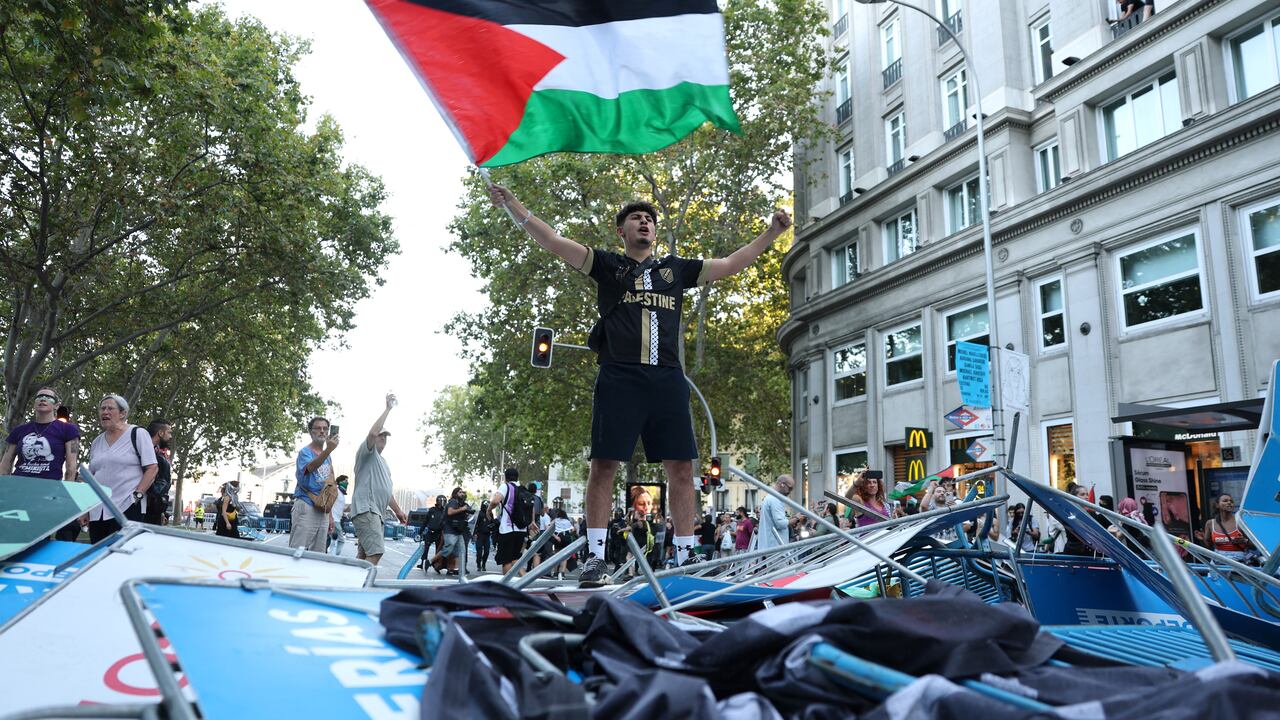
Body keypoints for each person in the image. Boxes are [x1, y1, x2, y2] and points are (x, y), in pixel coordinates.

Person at [488, 184, 792, 586]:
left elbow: (732, 263)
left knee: (681, 468)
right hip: (619, 376)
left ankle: (683, 559)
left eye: (649, 218)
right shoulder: (607, 266)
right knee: (603, 465)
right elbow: (553, 240)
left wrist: (771, 233)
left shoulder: (677, 271)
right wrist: (513, 204)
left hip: (668, 378)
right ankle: (595, 559)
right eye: (636, 218)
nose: (645, 222)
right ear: (622, 231)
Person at [2, 386, 83, 540]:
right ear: (34, 403)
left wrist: (66, 495)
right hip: (18, 490)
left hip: (46, 491)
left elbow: (71, 466)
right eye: (39, 397)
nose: (43, 399)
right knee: (12, 535)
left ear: (57, 405)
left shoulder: (68, 429)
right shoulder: (20, 430)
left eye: (48, 397)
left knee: (37, 537)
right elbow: (6, 463)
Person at [346, 394, 409, 568]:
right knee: (376, 552)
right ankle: (359, 588)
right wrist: (388, 409)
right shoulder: (366, 453)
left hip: (376, 513)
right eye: (381, 435)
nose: (383, 438)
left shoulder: (384, 462)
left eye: (385, 436)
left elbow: (387, 492)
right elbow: (373, 433)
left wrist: (398, 511)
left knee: (364, 554)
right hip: (367, 509)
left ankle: (352, 585)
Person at [86, 395, 158, 543]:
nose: (104, 412)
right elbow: (91, 476)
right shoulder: (96, 442)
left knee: (121, 556)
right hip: (97, 511)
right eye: (102, 408)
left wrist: (137, 496)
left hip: (127, 506)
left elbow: (152, 468)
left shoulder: (137, 433)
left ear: (123, 413)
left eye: (110, 408)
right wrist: (86, 509)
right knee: (97, 558)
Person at [291, 416, 338, 552]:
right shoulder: (305, 452)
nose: (322, 431)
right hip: (306, 505)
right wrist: (328, 450)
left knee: (318, 553)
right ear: (311, 432)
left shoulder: (327, 456)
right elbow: (310, 467)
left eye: (325, 428)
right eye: (318, 428)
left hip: (322, 508)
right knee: (297, 550)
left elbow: (328, 485)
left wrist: (330, 515)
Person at [489, 467, 531, 576]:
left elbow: (495, 500)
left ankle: (506, 586)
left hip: (507, 530)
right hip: (521, 530)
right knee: (515, 558)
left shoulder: (505, 486)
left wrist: (489, 509)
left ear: (506, 478)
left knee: (506, 560)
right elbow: (531, 506)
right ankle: (525, 579)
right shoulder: (523, 489)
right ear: (517, 477)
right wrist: (532, 522)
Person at [1200, 494, 1257, 563]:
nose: (1229, 502)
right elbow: (1208, 546)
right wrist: (1203, 539)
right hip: (1218, 562)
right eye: (1225, 501)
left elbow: (1254, 547)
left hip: (1238, 563)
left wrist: (1244, 541)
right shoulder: (1210, 523)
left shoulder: (1240, 522)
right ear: (1217, 505)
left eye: (1231, 501)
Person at [429, 487, 472, 576]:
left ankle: (456, 569)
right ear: (455, 493)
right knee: (448, 548)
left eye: (463, 492)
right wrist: (462, 509)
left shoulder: (461, 503)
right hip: (450, 530)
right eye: (460, 492)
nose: (462, 493)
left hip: (458, 531)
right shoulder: (453, 501)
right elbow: (450, 512)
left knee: (461, 550)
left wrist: (468, 511)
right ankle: (430, 561)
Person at [144, 419, 173, 526]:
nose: (171, 437)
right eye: (169, 432)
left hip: (154, 507)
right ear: (160, 433)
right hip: (146, 506)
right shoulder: (149, 453)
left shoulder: (157, 453)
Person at [757, 475, 794, 551]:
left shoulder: (770, 497)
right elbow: (780, 523)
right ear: (782, 484)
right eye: (789, 488)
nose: (790, 491)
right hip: (775, 547)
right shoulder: (775, 499)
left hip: (770, 545)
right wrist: (796, 519)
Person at [420, 495, 448, 571]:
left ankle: (435, 564)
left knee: (438, 550)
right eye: (441, 501)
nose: (442, 503)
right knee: (426, 548)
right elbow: (425, 521)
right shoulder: (432, 510)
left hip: (439, 533)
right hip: (430, 532)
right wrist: (420, 531)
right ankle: (422, 562)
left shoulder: (445, 511)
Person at [329, 475, 349, 555]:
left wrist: (346, 511)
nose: (347, 483)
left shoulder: (342, 494)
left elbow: (339, 508)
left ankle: (330, 554)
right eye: (345, 481)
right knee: (341, 540)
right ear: (340, 482)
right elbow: (329, 504)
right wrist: (330, 518)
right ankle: (335, 556)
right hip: (334, 519)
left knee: (332, 539)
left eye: (347, 481)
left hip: (337, 519)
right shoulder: (336, 491)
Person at [473, 502, 494, 572]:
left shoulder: (490, 514)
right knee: (479, 551)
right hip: (480, 535)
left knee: (487, 551)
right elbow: (476, 524)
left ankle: (484, 564)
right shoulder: (479, 514)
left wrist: (492, 525)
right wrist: (475, 533)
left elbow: (493, 522)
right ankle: (478, 564)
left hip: (487, 535)